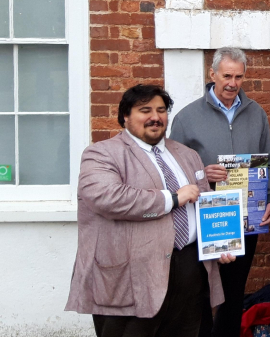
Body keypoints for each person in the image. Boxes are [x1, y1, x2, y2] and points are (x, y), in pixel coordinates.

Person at [66, 84, 234, 337]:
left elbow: (205, 202)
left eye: (161, 110)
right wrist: (174, 198)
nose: (155, 117)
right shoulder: (101, 154)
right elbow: (107, 198)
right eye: (145, 110)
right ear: (126, 115)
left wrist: (220, 243)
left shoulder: (188, 155)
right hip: (131, 275)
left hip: (189, 270)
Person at [169, 47, 270, 337]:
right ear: (212, 75)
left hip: (247, 215)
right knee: (201, 293)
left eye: (239, 76)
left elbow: (268, 161)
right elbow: (171, 172)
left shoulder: (255, 113)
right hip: (207, 217)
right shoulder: (186, 117)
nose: (232, 83)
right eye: (227, 75)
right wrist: (202, 173)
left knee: (233, 292)